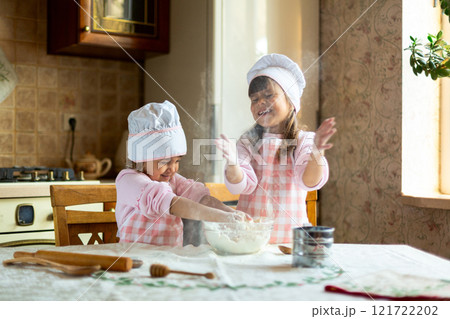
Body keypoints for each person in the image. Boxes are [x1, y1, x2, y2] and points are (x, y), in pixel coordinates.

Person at [215, 53, 336, 244]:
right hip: (249, 241)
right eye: (254, 99)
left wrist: (317, 150)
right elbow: (242, 184)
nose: (260, 102)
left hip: (290, 243)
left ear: (291, 102)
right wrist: (233, 163)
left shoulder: (303, 141)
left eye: (268, 95)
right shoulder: (248, 142)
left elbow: (308, 180)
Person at [115, 101, 248, 246]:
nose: (172, 168)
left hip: (170, 259)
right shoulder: (128, 181)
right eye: (165, 161)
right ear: (141, 158)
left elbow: (202, 199)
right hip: (135, 260)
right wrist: (222, 217)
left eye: (177, 161)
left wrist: (230, 213)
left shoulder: (173, 181)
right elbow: (169, 203)